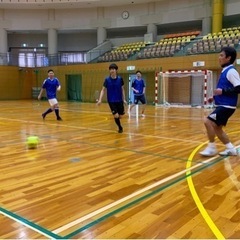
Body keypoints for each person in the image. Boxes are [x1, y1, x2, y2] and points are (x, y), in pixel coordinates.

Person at [200, 46, 240, 157]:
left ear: (228, 58)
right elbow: (223, 90)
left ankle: (211, 147)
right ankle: (231, 149)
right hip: (223, 104)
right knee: (217, 128)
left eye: (221, 55)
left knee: (207, 121)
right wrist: (214, 97)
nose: (219, 58)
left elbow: (239, 88)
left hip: (227, 106)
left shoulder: (231, 72)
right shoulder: (225, 71)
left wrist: (222, 91)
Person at [97, 63, 127, 133]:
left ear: (116, 70)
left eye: (113, 69)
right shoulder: (107, 80)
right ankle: (120, 127)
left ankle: (119, 117)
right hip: (111, 100)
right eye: (110, 69)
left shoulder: (120, 79)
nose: (112, 70)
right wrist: (100, 100)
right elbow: (103, 90)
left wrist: (124, 99)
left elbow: (122, 89)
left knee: (120, 116)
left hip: (119, 100)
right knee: (116, 116)